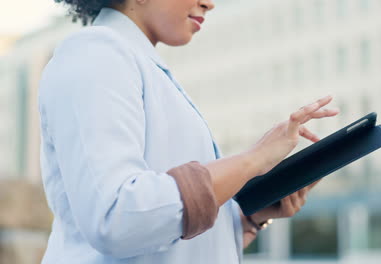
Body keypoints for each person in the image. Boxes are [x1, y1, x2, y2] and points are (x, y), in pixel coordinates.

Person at [38, 0, 339, 263]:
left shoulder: (138, 66)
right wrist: (252, 161)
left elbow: (165, 231)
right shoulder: (96, 53)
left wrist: (250, 215)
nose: (209, 3)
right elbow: (117, 217)